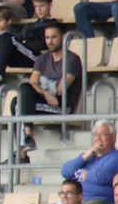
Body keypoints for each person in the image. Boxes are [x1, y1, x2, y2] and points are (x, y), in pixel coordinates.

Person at [13, 23, 82, 162]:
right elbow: (33, 82)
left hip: (61, 105)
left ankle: (22, 154)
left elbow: (60, 90)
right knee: (21, 93)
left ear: (62, 38)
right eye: (47, 38)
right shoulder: (42, 59)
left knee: (17, 104)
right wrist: (45, 93)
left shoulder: (72, 59)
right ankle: (27, 137)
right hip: (47, 100)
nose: (50, 41)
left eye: (54, 37)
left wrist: (45, 91)